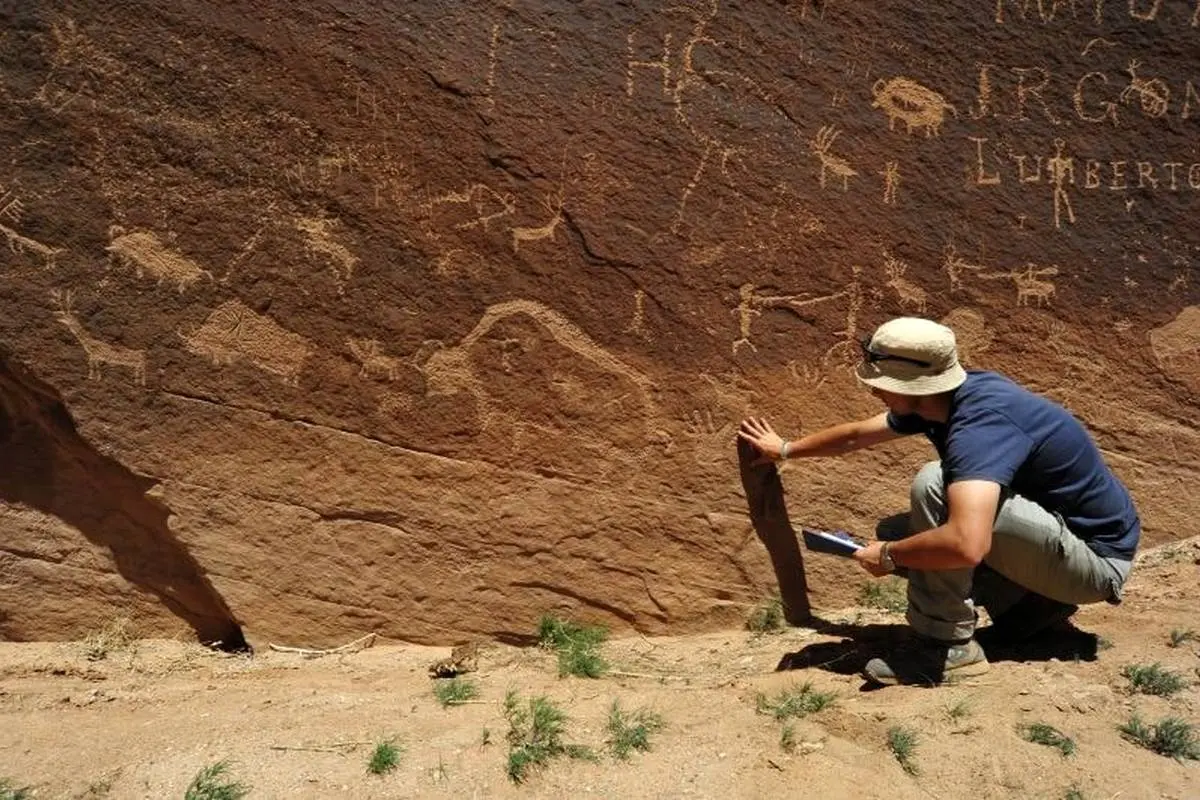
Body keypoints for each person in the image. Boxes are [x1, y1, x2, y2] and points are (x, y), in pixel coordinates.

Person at [738, 317, 1140, 686]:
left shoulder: (978, 427)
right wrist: (786, 449)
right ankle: (1030, 612)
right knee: (906, 531)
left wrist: (891, 556)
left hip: (1095, 563)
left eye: (879, 381)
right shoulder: (943, 400)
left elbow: (967, 543)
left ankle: (945, 650)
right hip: (1064, 544)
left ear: (911, 385)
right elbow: (856, 436)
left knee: (933, 488)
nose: (872, 388)